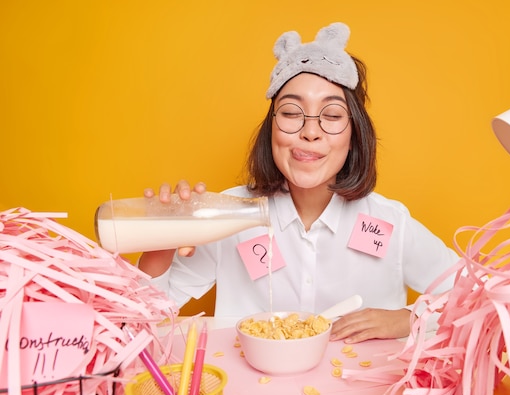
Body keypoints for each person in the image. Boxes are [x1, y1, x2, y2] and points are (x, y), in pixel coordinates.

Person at [138, 22, 459, 343]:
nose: (310, 131)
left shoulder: (390, 222)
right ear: (271, 129)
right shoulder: (229, 217)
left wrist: (409, 318)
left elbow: (475, 295)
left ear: (354, 135)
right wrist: (160, 248)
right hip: (249, 392)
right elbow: (147, 321)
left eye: (332, 116)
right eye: (292, 112)